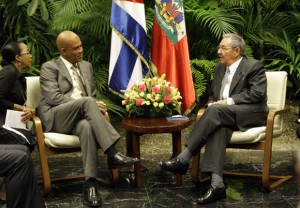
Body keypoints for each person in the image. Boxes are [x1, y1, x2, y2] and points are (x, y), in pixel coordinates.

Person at [159, 33, 268, 205]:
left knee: (216, 109)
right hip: (223, 116)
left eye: (223, 48)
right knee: (218, 127)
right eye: (219, 47)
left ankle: (184, 158)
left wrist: (227, 102)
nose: (219, 51)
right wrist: (213, 103)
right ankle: (217, 185)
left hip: (251, 113)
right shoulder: (219, 69)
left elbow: (257, 93)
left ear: (236, 51)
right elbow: (212, 96)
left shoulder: (253, 66)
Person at [37, 30, 139, 207]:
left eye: (81, 46)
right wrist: (87, 103)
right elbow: (53, 98)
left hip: (81, 117)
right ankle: (112, 153)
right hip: (57, 117)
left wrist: (95, 104)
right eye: (75, 48)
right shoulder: (49, 67)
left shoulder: (86, 66)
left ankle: (90, 185)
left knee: (86, 126)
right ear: (63, 51)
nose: (80, 51)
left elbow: (91, 95)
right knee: (88, 102)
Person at [0, 42, 36, 151]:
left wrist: (29, 111)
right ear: (18, 58)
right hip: (2, 123)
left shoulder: (19, 78)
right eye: (28, 53)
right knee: (25, 141)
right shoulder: (8, 72)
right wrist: (22, 108)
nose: (31, 56)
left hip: (12, 121)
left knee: (27, 141)